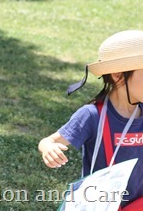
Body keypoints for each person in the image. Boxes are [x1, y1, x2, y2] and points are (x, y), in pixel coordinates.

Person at [38, 30, 143, 210]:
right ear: (118, 75)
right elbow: (49, 141)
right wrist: (48, 148)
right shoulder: (92, 115)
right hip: (102, 205)